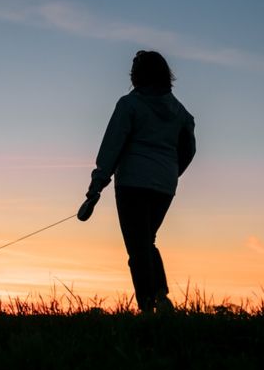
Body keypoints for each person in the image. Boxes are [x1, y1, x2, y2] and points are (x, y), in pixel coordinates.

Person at [77, 50, 196, 313]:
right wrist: (172, 172)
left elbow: (111, 146)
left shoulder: (129, 105)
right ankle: (160, 297)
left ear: (137, 76)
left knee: (138, 245)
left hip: (133, 183)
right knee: (146, 241)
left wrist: (96, 187)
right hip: (164, 185)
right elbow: (189, 149)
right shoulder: (181, 113)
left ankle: (149, 304)